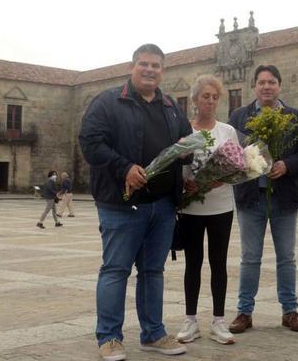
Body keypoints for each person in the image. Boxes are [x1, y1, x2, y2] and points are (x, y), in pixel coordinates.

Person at [79, 43, 192, 360]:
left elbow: (187, 146)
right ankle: (109, 338)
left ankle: (153, 333)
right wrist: (124, 168)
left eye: (156, 65)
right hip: (120, 205)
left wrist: (189, 150)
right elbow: (89, 143)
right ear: (132, 66)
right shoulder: (107, 102)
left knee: (153, 272)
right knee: (115, 270)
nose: (150, 70)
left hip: (163, 205)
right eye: (144, 64)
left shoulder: (171, 106)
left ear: (162, 70)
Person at [227, 64, 298, 335]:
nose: (266, 86)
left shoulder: (295, 116)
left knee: (286, 257)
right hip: (251, 198)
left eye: (271, 82)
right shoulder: (239, 116)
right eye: (262, 82)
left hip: (284, 198)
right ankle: (244, 312)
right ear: (254, 86)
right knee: (250, 258)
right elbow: (230, 153)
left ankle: (289, 310)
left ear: (279, 85)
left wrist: (287, 165)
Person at [175, 75, 238, 346]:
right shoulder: (185, 131)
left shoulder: (227, 131)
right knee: (193, 264)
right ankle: (190, 320)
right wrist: (184, 183)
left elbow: (237, 166)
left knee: (219, 263)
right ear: (195, 100)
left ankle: (219, 321)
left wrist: (219, 179)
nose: (210, 101)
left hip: (221, 206)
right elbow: (175, 166)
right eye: (205, 96)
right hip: (191, 208)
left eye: (215, 97)